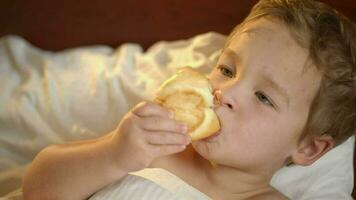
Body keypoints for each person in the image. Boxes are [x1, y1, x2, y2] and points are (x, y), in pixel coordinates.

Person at [22, 0, 356, 199]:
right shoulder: (152, 149)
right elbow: (38, 189)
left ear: (308, 148)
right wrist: (112, 155)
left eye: (263, 97)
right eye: (226, 69)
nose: (225, 93)